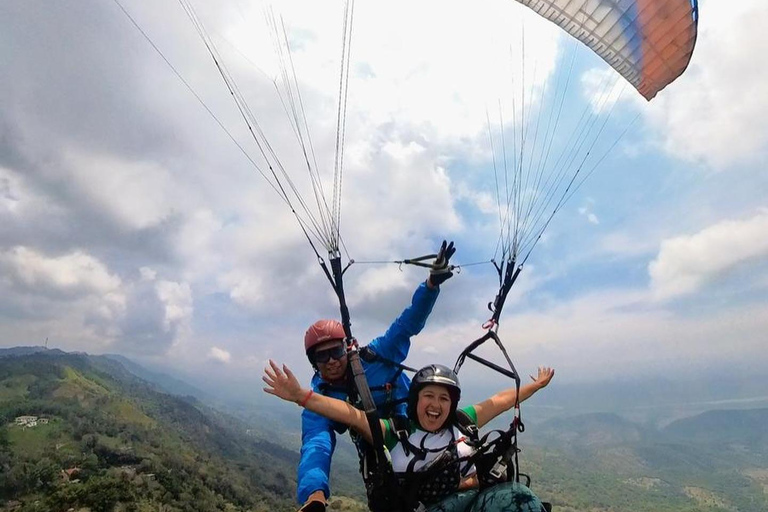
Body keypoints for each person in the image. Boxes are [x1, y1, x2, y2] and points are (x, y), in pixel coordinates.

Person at [264, 361, 555, 512]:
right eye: (429, 395)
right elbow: (350, 415)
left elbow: (500, 400)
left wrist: (535, 387)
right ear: (415, 399)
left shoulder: (463, 421)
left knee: (521, 499)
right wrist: (303, 396)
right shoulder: (396, 433)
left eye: (444, 398)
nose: (436, 405)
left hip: (476, 504)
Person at [298, 241, 456, 511]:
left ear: (346, 348)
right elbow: (316, 443)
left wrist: (430, 286)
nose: (332, 361)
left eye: (335, 351)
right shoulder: (322, 397)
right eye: (321, 356)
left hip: (422, 428)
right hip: (382, 455)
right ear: (314, 363)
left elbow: (406, 324)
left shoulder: (374, 357)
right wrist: (314, 495)